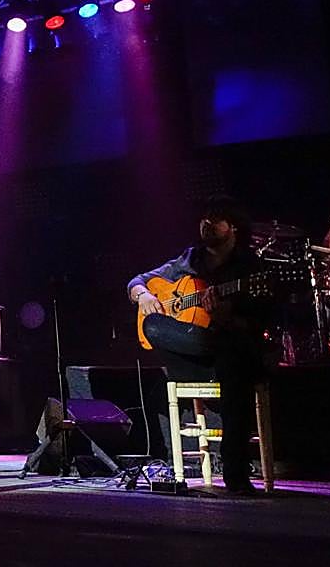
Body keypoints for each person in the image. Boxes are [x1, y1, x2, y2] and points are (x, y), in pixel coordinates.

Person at [126, 197, 266, 495]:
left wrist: (225, 319)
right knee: (151, 325)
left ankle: (235, 473)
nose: (207, 224)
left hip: (231, 354)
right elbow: (137, 281)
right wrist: (144, 296)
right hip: (196, 354)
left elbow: (259, 324)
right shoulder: (190, 259)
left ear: (233, 227)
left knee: (234, 350)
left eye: (216, 219)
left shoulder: (250, 268)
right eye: (204, 218)